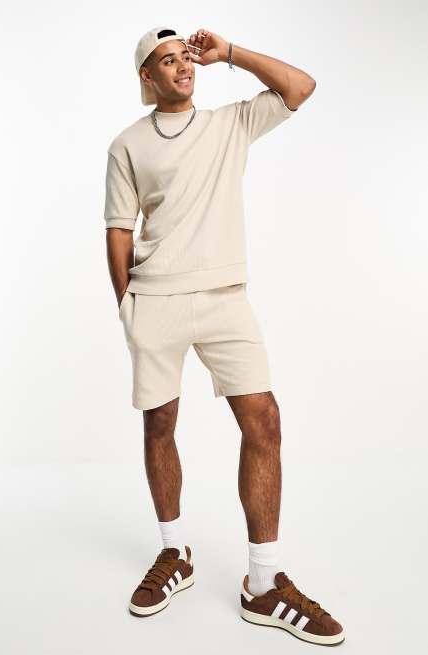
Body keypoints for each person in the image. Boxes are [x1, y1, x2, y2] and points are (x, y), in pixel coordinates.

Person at [104, 25, 344, 646]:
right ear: (146, 77)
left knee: (264, 422)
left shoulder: (229, 124)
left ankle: (263, 584)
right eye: (167, 60)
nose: (182, 65)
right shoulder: (127, 144)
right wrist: (127, 306)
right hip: (155, 300)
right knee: (159, 424)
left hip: (224, 299)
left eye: (185, 56)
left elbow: (300, 87)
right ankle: (174, 553)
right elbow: (119, 229)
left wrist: (230, 53)